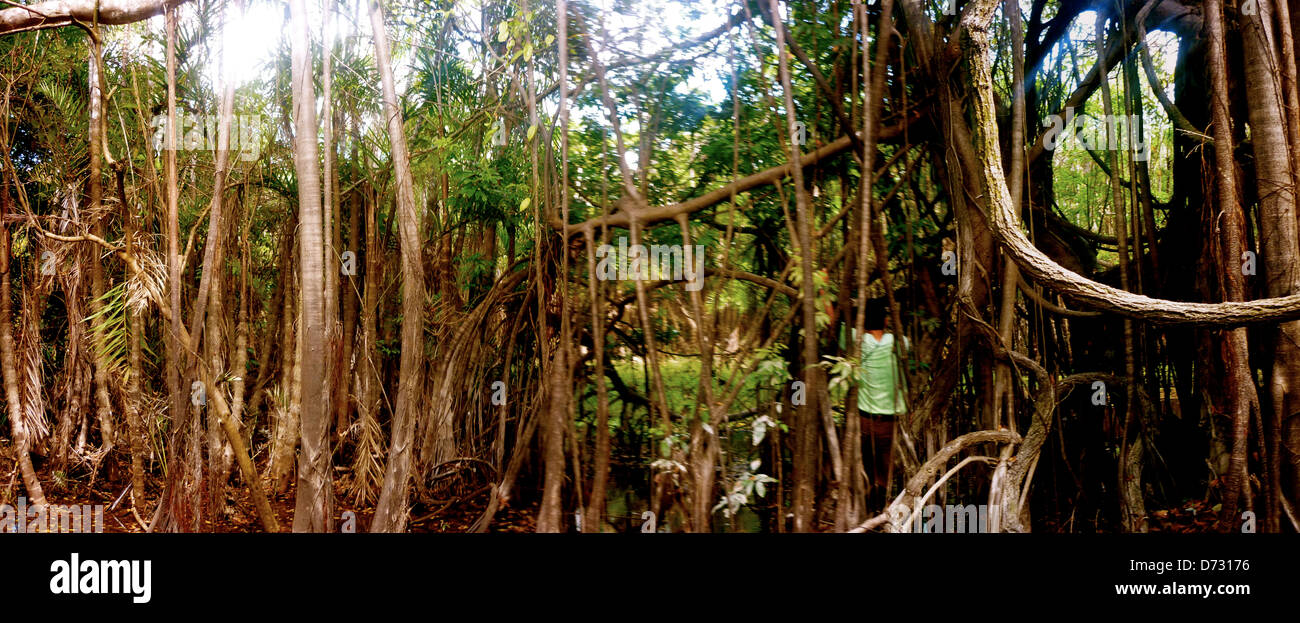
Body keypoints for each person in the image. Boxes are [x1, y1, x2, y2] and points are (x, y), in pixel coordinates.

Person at [854, 301, 908, 497]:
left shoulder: (856, 340)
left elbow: (833, 324)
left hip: (864, 420)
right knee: (885, 468)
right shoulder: (899, 343)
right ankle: (880, 508)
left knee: (866, 466)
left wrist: (823, 291)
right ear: (886, 321)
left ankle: (867, 506)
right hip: (888, 421)